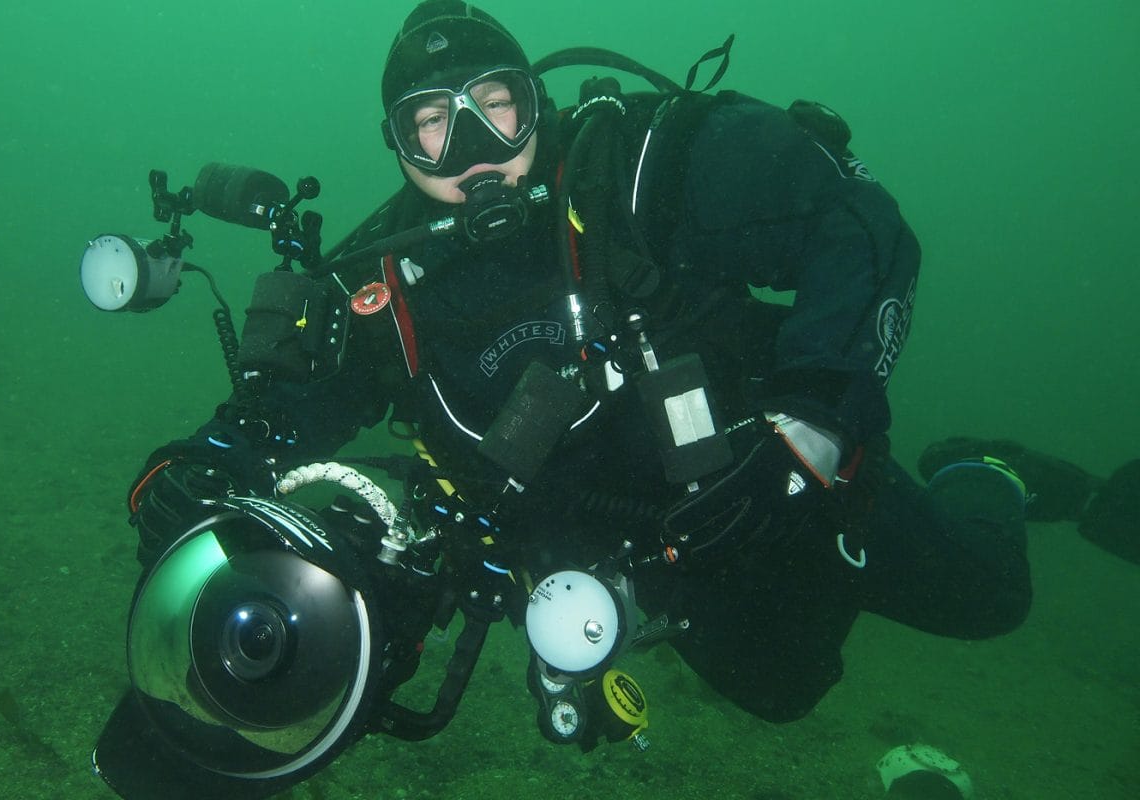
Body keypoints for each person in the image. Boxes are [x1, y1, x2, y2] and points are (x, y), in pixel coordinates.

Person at [125, 0, 1133, 731]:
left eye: (494, 105)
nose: (469, 145)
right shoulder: (386, 280)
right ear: (396, 147)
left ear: (538, 101)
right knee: (779, 689)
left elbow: (859, 224)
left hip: (788, 483)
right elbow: (301, 401)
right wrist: (207, 460)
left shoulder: (641, 169)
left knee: (993, 599)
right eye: (429, 123)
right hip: (642, 569)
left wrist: (814, 419)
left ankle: (991, 471)